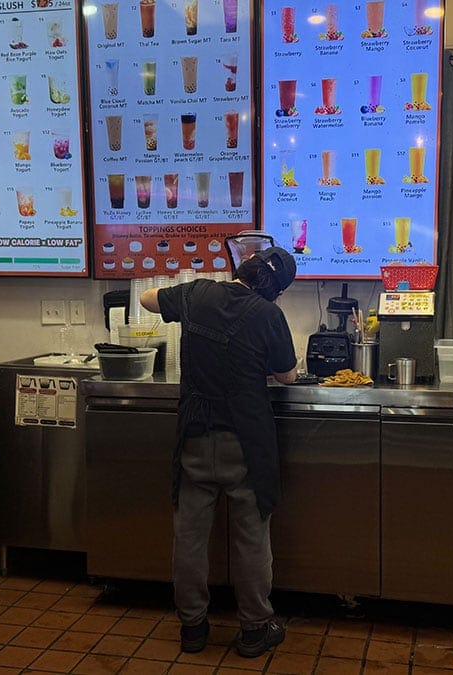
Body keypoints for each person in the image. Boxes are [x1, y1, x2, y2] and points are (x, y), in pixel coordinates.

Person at [139, 247, 298, 658]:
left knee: (189, 536)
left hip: (195, 435)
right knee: (251, 538)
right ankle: (254, 629)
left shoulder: (197, 293)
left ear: (241, 269)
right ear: (276, 291)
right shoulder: (268, 315)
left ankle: (192, 628)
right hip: (245, 442)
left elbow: (146, 298)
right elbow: (288, 374)